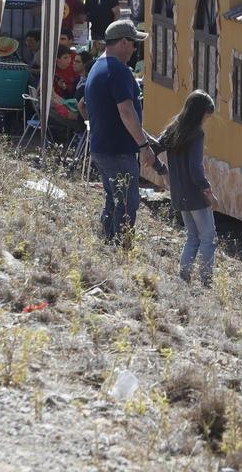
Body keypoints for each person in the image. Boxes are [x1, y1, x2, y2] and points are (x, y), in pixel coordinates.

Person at [84, 18, 156, 246]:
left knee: (112, 200)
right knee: (127, 204)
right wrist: (144, 147)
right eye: (134, 43)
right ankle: (121, 251)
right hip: (118, 151)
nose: (135, 49)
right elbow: (126, 111)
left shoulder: (98, 65)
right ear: (124, 42)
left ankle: (106, 247)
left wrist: (144, 137)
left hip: (101, 147)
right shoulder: (118, 70)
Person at [162, 90, 218, 284]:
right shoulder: (196, 133)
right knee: (208, 238)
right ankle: (206, 281)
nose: (206, 121)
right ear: (199, 113)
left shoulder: (173, 128)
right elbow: (196, 169)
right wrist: (209, 192)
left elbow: (154, 147)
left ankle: (183, 277)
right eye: (206, 116)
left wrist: (161, 170)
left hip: (178, 192)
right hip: (195, 194)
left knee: (192, 237)